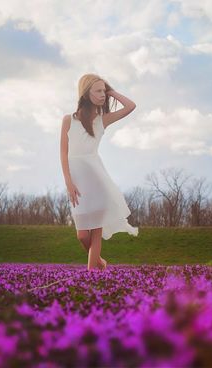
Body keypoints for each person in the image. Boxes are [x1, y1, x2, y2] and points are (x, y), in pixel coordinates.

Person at [59, 73, 139, 271]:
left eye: (104, 91)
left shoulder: (103, 120)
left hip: (97, 180)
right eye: (98, 91)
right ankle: (100, 263)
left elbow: (131, 106)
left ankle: (90, 276)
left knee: (95, 232)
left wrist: (111, 90)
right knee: (82, 236)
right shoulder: (68, 120)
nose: (103, 94)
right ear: (86, 94)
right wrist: (68, 181)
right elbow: (63, 152)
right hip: (77, 182)